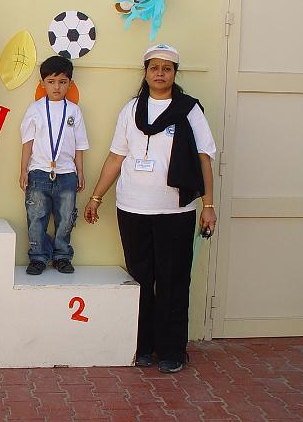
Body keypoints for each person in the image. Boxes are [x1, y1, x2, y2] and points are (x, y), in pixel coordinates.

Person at [84, 44, 217, 373]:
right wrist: (97, 196)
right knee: (141, 279)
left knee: (173, 281)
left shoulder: (189, 110)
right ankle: (143, 346)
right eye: (154, 67)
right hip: (132, 209)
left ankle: (172, 351)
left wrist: (208, 204)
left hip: (175, 212)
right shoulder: (131, 110)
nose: (160, 73)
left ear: (175, 73)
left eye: (167, 68)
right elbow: (116, 157)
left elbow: (204, 158)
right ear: (145, 72)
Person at [20, 56, 89, 275]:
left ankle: (62, 256)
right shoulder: (35, 109)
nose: (56, 87)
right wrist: (23, 170)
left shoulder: (74, 111)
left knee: (66, 218)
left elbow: (79, 145)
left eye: (62, 82)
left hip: (67, 174)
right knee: (36, 217)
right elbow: (27, 142)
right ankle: (38, 257)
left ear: (70, 83)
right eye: (51, 81)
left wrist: (80, 172)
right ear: (42, 83)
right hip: (39, 173)